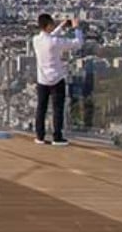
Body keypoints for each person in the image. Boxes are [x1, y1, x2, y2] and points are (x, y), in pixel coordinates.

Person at [32, 14, 85, 146]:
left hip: (42, 79)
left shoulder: (36, 40)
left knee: (41, 108)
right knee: (58, 109)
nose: (54, 25)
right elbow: (77, 43)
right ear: (48, 25)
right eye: (52, 24)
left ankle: (40, 136)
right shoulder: (55, 42)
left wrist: (62, 26)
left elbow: (50, 36)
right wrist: (76, 28)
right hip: (56, 79)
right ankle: (57, 137)